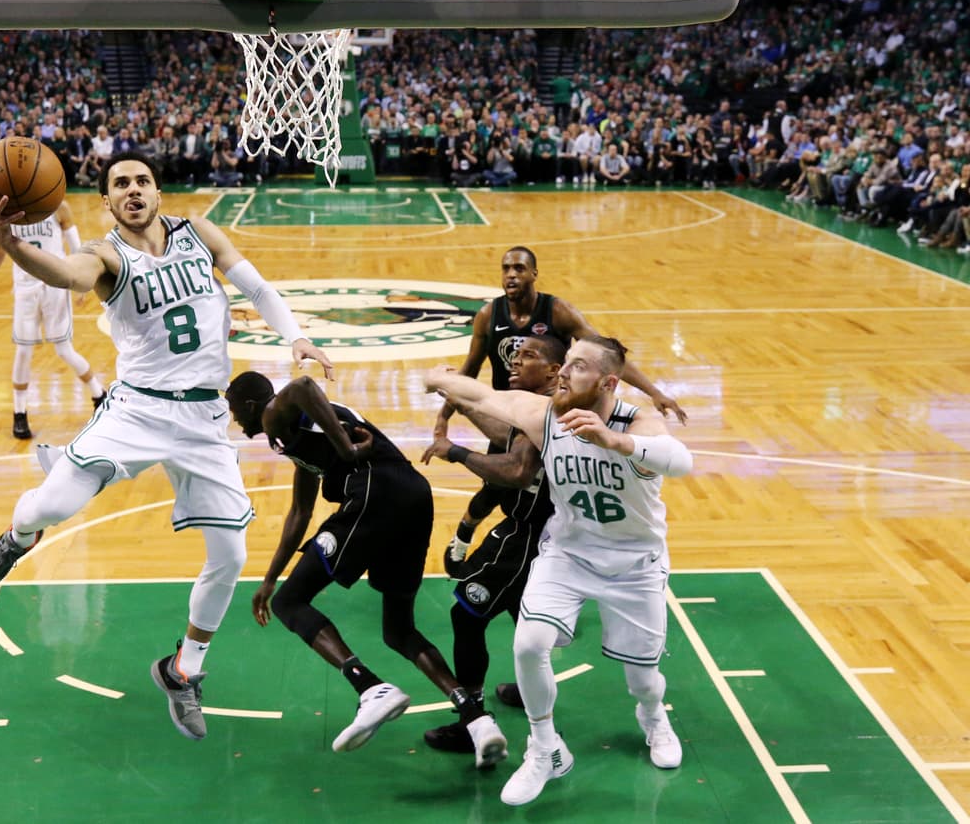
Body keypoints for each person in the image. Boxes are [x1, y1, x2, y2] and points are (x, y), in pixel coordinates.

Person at [0, 150, 333, 742]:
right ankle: (17, 537)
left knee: (232, 558)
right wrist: (8, 243)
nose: (133, 190)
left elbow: (259, 287)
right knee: (52, 507)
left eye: (142, 181)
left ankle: (183, 670)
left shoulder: (201, 233)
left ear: (158, 192)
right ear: (107, 203)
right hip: (137, 410)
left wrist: (297, 337)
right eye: (120, 184)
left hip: (203, 419)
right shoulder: (104, 253)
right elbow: (65, 275)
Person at [425, 335, 693, 806]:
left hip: (635, 565)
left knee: (643, 678)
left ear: (608, 381)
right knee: (528, 645)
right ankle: (545, 748)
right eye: (564, 363)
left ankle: (653, 718)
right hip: (568, 555)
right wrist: (440, 378)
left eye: (579, 366)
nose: (563, 373)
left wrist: (615, 440)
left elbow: (682, 462)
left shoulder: (637, 420)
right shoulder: (544, 415)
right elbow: (485, 397)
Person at [225, 370, 509, 769]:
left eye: (236, 410)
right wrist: (269, 578)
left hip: (378, 488)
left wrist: (347, 449)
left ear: (253, 405)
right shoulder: (298, 440)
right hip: (413, 495)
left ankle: (370, 687)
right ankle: (476, 719)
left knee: (291, 603)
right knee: (398, 630)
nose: (235, 420)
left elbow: (304, 386)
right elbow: (299, 512)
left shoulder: (273, 414)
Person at [431, 247, 686, 623]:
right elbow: (468, 371)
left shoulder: (557, 312)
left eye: (519, 268)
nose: (511, 275)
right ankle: (467, 534)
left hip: (547, 413)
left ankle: (552, 580)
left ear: (535, 273)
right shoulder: (489, 315)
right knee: (496, 487)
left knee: (541, 494)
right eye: (506, 268)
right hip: (507, 415)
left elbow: (607, 355)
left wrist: (655, 392)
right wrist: (444, 417)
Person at [418, 334, 566, 754]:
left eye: (528, 356)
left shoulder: (549, 412)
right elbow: (503, 430)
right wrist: (457, 399)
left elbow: (517, 470)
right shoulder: (543, 407)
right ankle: (531, 695)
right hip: (547, 536)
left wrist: (456, 453)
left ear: (554, 372)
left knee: (465, 616)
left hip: (524, 536)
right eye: (515, 355)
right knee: (528, 624)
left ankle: (474, 721)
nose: (515, 362)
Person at [0, 199, 107, 438]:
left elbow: (77, 248)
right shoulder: (10, 210)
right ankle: (19, 414)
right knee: (23, 352)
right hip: (25, 288)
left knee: (64, 350)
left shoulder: (59, 207)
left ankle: (99, 395)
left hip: (55, 286)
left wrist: (81, 284)